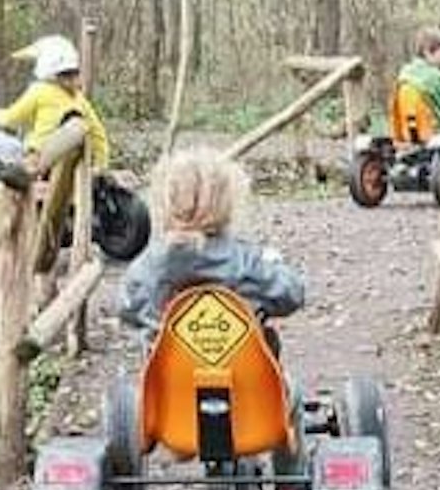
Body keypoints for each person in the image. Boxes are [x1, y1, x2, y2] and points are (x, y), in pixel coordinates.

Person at [118, 148, 305, 345]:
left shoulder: (146, 268)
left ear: (165, 203)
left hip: (171, 365)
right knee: (266, 338)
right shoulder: (247, 263)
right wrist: (273, 262)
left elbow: (127, 310)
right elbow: (292, 295)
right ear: (228, 205)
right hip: (239, 363)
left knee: (152, 340)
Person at [0, 33, 117, 213]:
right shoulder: (79, 99)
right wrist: (100, 166)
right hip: (61, 164)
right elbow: (99, 134)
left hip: (35, 158)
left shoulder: (40, 91)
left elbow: (7, 120)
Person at [397, 26, 440, 135]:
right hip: (432, 130)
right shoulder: (434, 76)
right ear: (427, 52)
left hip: (407, 130)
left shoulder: (405, 72)